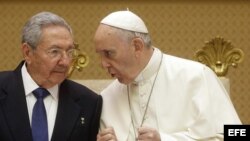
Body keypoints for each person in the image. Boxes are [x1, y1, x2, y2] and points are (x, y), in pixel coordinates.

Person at [94, 10, 241, 141]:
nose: (103, 64)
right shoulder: (107, 97)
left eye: (108, 53)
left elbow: (239, 134)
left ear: (137, 46)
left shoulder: (196, 77)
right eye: (100, 55)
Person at [0, 11, 102, 141]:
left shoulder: (89, 102)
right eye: (55, 52)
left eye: (69, 52)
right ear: (27, 53)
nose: (65, 62)